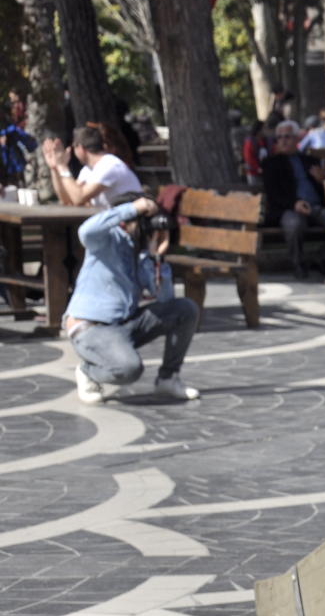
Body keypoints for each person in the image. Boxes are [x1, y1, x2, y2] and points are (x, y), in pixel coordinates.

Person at [64, 192, 200, 405]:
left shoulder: (141, 252)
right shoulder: (106, 239)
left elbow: (164, 298)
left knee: (185, 309)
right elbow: (86, 230)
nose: (148, 227)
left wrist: (157, 257)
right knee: (129, 369)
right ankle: (88, 372)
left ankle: (167, 378)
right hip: (92, 327)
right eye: (145, 220)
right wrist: (134, 208)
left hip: (124, 324)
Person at [261, 119, 325, 280]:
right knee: (294, 225)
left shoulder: (309, 160)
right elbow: (273, 194)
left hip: (316, 207)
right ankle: (298, 264)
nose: (283, 140)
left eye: (287, 136)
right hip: (289, 208)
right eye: (279, 138)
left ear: (296, 139)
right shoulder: (271, 164)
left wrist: (323, 180)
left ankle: (321, 258)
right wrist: (293, 204)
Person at [42, 125, 142, 208]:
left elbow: (79, 197)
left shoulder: (110, 165)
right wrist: (55, 168)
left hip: (127, 225)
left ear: (80, 148)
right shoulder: (88, 170)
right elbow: (69, 200)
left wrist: (62, 166)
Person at [1, 119, 36, 188]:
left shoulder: (12, 131)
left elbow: (24, 138)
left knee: (19, 184)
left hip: (15, 163)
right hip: (6, 166)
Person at [241, 120, 269, 185]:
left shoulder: (263, 141)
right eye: (264, 128)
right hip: (254, 173)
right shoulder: (250, 142)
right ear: (259, 130)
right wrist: (257, 168)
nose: (266, 130)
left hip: (264, 172)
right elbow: (249, 158)